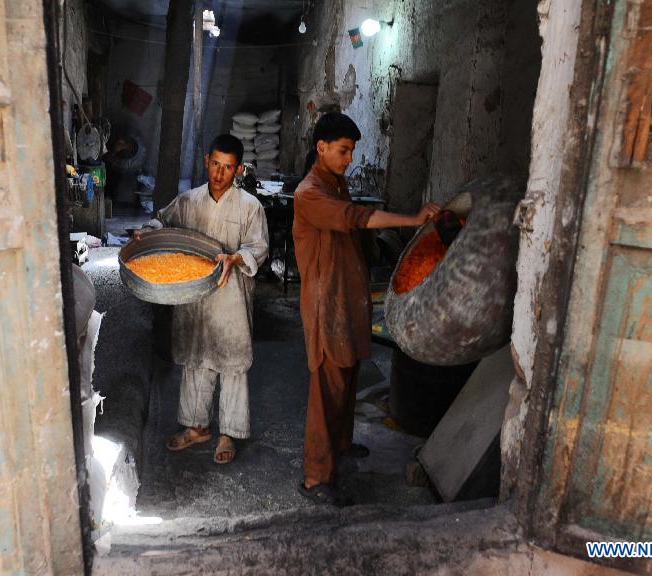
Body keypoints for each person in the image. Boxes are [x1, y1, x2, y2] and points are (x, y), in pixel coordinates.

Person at [293, 113, 441, 505]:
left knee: (348, 376)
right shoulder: (309, 194)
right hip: (326, 304)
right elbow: (356, 219)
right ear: (321, 148)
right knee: (326, 388)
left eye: (352, 151)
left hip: (347, 297)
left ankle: (340, 444)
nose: (349, 158)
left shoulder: (336, 183)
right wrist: (411, 219)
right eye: (343, 151)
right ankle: (315, 477)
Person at [135, 134, 269, 464]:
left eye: (227, 168)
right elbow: (162, 221)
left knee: (232, 362)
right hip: (193, 296)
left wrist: (235, 258)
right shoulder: (189, 200)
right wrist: (146, 231)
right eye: (215, 165)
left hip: (230, 298)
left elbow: (259, 248)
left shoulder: (250, 207)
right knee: (196, 358)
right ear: (206, 160)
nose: (219, 174)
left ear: (238, 170)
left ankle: (229, 433)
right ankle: (197, 427)